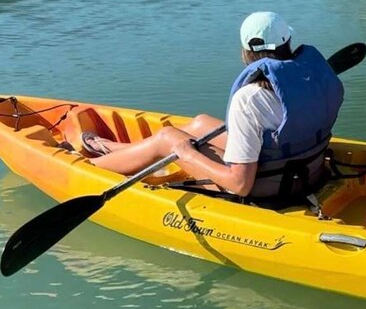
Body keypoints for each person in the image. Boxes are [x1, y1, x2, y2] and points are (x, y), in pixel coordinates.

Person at [78, 12, 344, 201]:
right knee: (201, 123)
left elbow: (240, 185)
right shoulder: (311, 79)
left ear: (247, 52)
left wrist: (186, 153)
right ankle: (109, 148)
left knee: (169, 139)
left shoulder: (250, 98)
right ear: (288, 43)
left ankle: (90, 169)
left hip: (271, 186)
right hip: (307, 169)